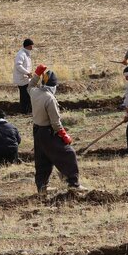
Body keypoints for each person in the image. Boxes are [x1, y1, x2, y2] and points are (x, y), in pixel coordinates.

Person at [28, 64, 85, 193]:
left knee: (42, 159)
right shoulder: (50, 99)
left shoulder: (35, 92)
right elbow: (55, 122)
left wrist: (37, 74)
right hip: (48, 132)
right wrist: (64, 135)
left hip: (37, 131)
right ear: (53, 86)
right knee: (69, 154)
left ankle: (42, 187)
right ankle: (73, 183)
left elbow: (30, 86)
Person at [13, 38, 34, 114]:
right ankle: (25, 111)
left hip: (25, 78)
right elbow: (18, 65)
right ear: (28, 46)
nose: (32, 48)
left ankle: (27, 110)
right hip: (22, 79)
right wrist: (27, 72)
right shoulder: (21, 54)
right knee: (25, 96)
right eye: (31, 46)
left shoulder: (26, 53)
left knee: (27, 95)